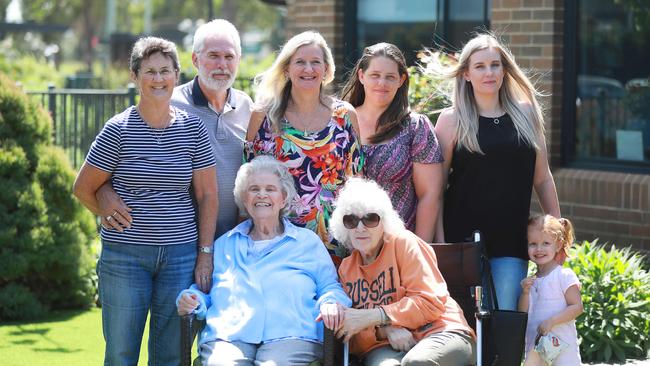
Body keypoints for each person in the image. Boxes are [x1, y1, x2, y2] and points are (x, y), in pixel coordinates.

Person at [72, 37, 217, 366]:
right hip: (125, 258)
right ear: (134, 76)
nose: (158, 78)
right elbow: (83, 187)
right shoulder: (118, 130)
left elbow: (208, 195)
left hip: (180, 256)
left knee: (171, 355)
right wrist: (106, 211)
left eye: (165, 70)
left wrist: (205, 253)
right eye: (149, 71)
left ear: (177, 76)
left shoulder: (193, 129)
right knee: (122, 353)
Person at [176, 156, 350, 366]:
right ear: (243, 198)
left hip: (292, 334)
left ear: (284, 198)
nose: (262, 195)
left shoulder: (306, 242)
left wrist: (331, 302)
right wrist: (192, 299)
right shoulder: (225, 244)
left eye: (270, 189)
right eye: (254, 189)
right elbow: (208, 293)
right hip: (230, 335)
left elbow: (330, 286)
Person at [433, 33, 561, 310]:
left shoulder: (526, 113)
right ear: (466, 74)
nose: (489, 72)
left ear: (504, 70)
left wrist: (558, 234)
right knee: (468, 325)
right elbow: (436, 191)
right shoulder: (451, 120)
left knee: (506, 318)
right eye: (480, 66)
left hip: (511, 241)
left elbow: (543, 178)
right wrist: (441, 243)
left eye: (495, 65)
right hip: (462, 242)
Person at [245, 30, 364, 262]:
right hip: (278, 239)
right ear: (287, 69)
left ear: (326, 70)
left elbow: (356, 181)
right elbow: (248, 184)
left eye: (315, 62)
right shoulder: (263, 115)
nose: (308, 69)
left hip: (335, 240)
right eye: (300, 62)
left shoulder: (344, 115)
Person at [330, 178, 475, 366]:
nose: (360, 228)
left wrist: (376, 316)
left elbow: (430, 302)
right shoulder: (347, 269)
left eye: (370, 219)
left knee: (417, 362)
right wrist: (385, 329)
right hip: (385, 345)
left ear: (384, 222)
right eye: (351, 220)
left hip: (440, 331)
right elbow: (353, 335)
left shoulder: (405, 244)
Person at [340, 42, 443, 242]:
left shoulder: (415, 127)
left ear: (401, 80)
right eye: (375, 75)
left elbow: (429, 195)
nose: (382, 83)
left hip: (399, 244)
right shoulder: (338, 121)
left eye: (390, 77)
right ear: (361, 76)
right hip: (344, 244)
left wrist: (418, 250)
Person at [172, 18, 253, 238]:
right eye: (214, 56)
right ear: (195, 59)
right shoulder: (171, 104)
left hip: (235, 239)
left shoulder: (247, 106)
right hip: (182, 241)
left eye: (229, 57)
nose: (222, 65)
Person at [519, 215, 583, 365]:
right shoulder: (531, 281)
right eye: (533, 244)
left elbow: (577, 307)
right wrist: (525, 293)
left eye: (546, 243)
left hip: (563, 349)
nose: (539, 249)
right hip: (537, 349)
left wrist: (551, 322)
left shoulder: (563, 275)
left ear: (558, 245)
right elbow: (523, 313)